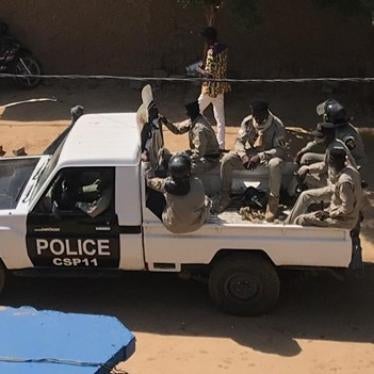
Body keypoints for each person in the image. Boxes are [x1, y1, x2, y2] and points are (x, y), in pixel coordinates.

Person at [215, 100, 286, 222]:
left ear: (265, 113)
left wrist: (260, 156)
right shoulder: (248, 122)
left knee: (276, 164)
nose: (255, 117)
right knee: (227, 159)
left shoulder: (277, 125)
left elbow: (280, 150)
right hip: (250, 155)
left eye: (257, 114)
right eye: (253, 114)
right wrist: (243, 156)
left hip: (267, 157)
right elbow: (238, 142)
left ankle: (272, 204)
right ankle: (225, 195)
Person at [288, 147, 362, 229]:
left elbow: (347, 209)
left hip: (343, 220)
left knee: (301, 220)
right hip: (337, 198)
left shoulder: (344, 182)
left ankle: (288, 233)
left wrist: (329, 214)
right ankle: (286, 225)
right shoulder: (349, 168)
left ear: (332, 163)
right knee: (306, 195)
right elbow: (324, 166)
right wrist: (308, 169)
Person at [146, 153, 211, 234]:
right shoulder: (197, 183)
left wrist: (146, 165)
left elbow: (150, 182)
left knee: (153, 195)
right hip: (195, 224)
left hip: (172, 226)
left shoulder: (166, 184)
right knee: (206, 200)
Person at [296, 99, 366, 169]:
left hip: (352, 164)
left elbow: (346, 156)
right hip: (345, 158)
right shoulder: (340, 127)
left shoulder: (346, 136)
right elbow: (319, 142)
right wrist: (306, 148)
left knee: (307, 157)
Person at [160, 101, 220, 175]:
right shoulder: (195, 119)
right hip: (201, 154)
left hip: (209, 159)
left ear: (190, 113)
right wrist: (165, 121)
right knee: (178, 155)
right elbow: (178, 130)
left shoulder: (199, 129)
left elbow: (199, 153)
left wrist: (185, 160)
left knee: (181, 169)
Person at [196, 27, 230, 150]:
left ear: (209, 39)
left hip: (209, 89)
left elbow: (209, 74)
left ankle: (197, 141)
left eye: (205, 38)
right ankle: (221, 145)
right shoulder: (224, 49)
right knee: (220, 118)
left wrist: (198, 69)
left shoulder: (212, 52)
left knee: (194, 112)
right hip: (220, 87)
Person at [297, 122, 357, 189]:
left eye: (320, 136)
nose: (316, 138)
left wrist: (308, 169)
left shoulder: (334, 150)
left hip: (341, 186)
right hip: (345, 179)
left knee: (306, 179)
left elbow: (325, 168)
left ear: (328, 137)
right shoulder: (336, 143)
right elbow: (326, 165)